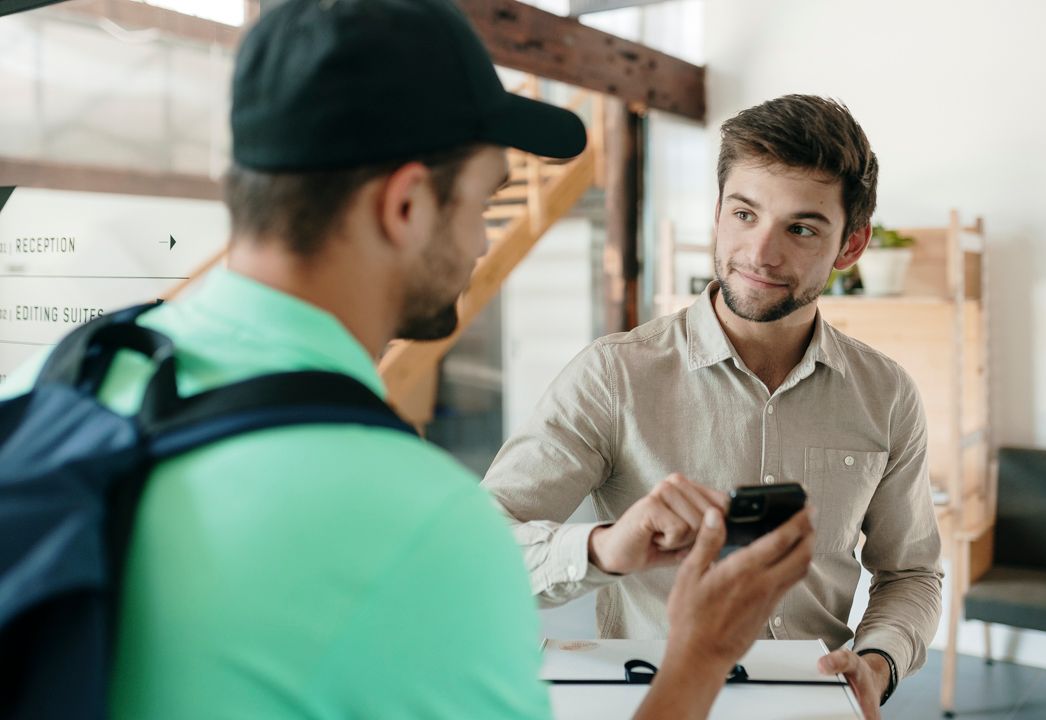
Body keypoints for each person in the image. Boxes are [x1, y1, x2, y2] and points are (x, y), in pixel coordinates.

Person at [0, 2, 814, 718]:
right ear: (406, 204)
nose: (483, 240)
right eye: (485, 201)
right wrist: (700, 657)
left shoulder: (67, 374)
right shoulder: (418, 523)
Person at [481, 93, 944, 718]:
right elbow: (479, 549)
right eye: (744, 214)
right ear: (718, 212)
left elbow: (911, 574)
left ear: (852, 246)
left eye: (801, 228)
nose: (760, 253)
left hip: (812, 704)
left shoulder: (886, 395)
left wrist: (878, 664)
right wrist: (605, 547)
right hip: (653, 702)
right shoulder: (613, 374)